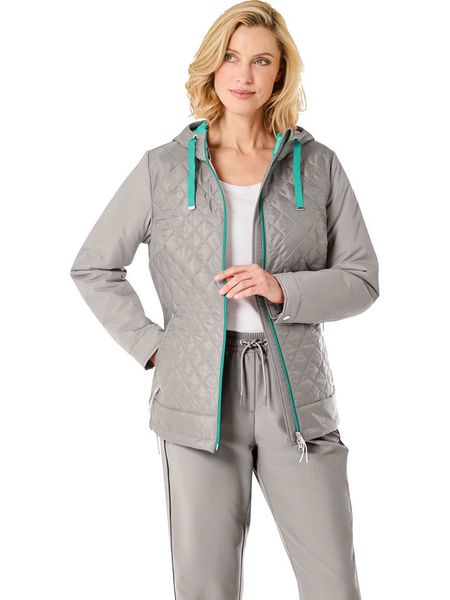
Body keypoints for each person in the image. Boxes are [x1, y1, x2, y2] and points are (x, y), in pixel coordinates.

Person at [70, 1, 379, 598]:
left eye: (261, 61)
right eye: (231, 58)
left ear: (281, 72)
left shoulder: (317, 166)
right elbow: (94, 266)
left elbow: (361, 279)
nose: (244, 74)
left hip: (296, 393)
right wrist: (154, 347)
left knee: (334, 586)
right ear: (212, 66)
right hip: (196, 394)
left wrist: (283, 287)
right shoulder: (163, 169)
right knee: (206, 588)